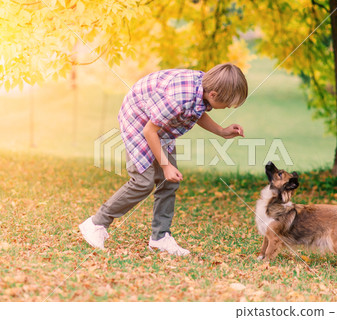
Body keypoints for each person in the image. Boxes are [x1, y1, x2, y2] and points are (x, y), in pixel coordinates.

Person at [79, 63, 248, 256]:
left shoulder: (203, 87)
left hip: (158, 124)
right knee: (142, 182)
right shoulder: (179, 98)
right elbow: (150, 131)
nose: (228, 107)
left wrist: (222, 131)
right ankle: (95, 223)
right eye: (227, 104)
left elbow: (197, 113)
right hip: (139, 120)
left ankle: (159, 238)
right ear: (214, 95)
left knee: (169, 182)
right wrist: (166, 166)